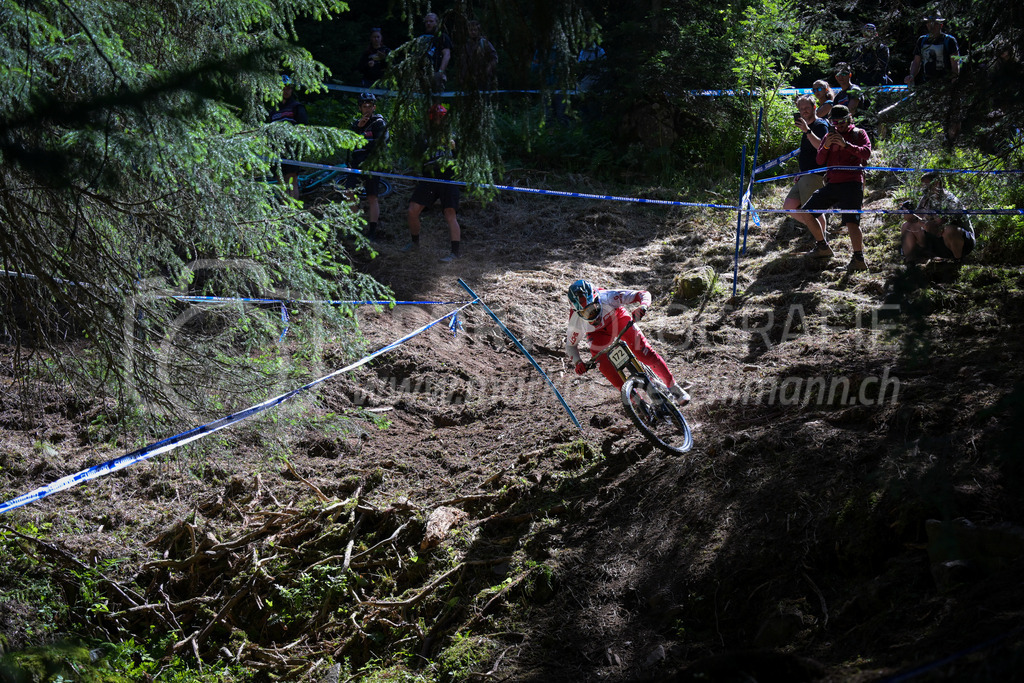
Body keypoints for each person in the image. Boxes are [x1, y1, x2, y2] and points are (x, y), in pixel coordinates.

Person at [565, 279, 690, 405]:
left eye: (593, 307)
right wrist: (578, 362)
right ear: (577, 312)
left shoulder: (608, 297)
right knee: (603, 365)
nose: (591, 315)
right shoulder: (575, 322)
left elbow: (643, 294)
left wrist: (643, 306)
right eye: (585, 313)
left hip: (617, 318)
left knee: (643, 352)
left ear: (597, 299)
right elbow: (570, 346)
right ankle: (636, 404)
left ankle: (674, 388)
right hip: (597, 334)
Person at [794, 105, 873, 273]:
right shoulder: (828, 136)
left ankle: (858, 259)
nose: (838, 125)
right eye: (834, 122)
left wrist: (846, 145)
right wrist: (827, 145)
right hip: (832, 183)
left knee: (852, 222)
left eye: (842, 121)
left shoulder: (859, 134)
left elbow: (866, 153)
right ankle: (822, 246)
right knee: (807, 212)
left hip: (852, 183)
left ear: (849, 118)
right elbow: (820, 160)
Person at [402, 104, 462, 262]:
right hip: (429, 178)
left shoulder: (454, 134)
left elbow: (463, 158)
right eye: (436, 118)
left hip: (448, 179)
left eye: (441, 118)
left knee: (450, 213)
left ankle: (455, 253)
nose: (438, 121)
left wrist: (455, 148)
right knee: (412, 210)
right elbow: (417, 154)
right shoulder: (425, 136)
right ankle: (415, 243)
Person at [900, 172, 975, 266]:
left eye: (926, 185)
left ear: (937, 184)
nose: (924, 188)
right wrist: (909, 215)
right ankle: (910, 264)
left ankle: (958, 262)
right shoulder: (926, 199)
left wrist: (923, 222)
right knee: (907, 226)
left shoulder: (950, 199)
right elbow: (918, 216)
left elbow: (940, 222)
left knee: (949, 230)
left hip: (962, 242)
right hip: (937, 240)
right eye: (923, 185)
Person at [781, 95, 829, 235]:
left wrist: (807, 131)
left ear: (815, 107)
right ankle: (818, 233)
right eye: (801, 109)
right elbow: (807, 154)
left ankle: (821, 239)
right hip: (805, 174)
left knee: (813, 210)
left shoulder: (820, 125)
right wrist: (800, 172)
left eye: (807, 107)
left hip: (816, 174)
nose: (804, 111)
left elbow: (822, 146)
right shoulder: (807, 128)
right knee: (789, 206)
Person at [347, 93, 389, 240]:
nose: (367, 109)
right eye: (364, 106)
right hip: (356, 163)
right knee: (349, 192)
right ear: (360, 108)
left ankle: (372, 231)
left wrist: (363, 142)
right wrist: (358, 129)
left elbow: (380, 143)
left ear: (374, 107)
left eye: (369, 106)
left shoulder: (379, 123)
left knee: (372, 197)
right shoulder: (355, 124)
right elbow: (348, 144)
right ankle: (354, 227)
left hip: (372, 164)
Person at [267, 75, 308, 199]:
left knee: (291, 181)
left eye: (289, 88)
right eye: (284, 88)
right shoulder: (274, 109)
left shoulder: (297, 107)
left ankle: (293, 211)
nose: (286, 91)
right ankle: (284, 209)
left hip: (291, 149)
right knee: (280, 181)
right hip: (276, 149)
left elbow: (303, 128)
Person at [905, 13, 960, 85]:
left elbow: (955, 63)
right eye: (929, 23)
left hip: (945, 84)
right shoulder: (922, 40)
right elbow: (916, 61)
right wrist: (911, 75)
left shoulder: (949, 40)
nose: (932, 26)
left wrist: (954, 79)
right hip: (927, 83)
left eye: (935, 24)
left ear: (941, 25)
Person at [460, 20, 498, 90]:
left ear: (478, 31)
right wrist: (463, 76)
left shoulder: (484, 43)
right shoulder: (466, 45)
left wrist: (488, 68)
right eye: (471, 30)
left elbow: (494, 58)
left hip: (484, 77)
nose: (473, 32)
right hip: (470, 78)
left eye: (475, 30)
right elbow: (464, 62)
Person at [421, 12, 453, 91]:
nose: (428, 23)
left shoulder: (442, 37)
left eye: (431, 21)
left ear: (437, 23)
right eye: (426, 21)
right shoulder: (422, 38)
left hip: (436, 73)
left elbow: (447, 55)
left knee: (436, 99)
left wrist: (440, 72)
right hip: (423, 74)